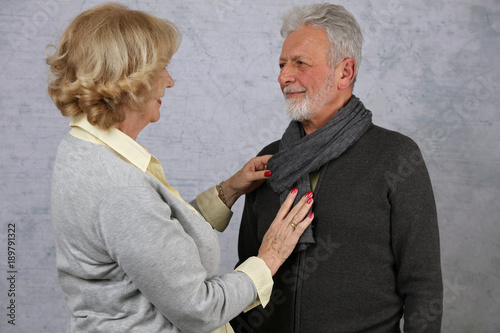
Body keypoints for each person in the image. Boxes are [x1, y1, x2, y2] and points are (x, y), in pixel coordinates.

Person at [47, 3, 316, 332]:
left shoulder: (82, 149)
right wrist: (270, 258)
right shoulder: (119, 189)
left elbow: (151, 245)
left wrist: (227, 191)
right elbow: (200, 309)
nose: (170, 81)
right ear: (128, 80)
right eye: (160, 68)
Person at [232, 3, 443, 332]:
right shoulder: (268, 161)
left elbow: (423, 286)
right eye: (282, 64)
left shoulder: (397, 156)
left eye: (300, 64)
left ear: (345, 72)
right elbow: (247, 269)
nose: (284, 76)